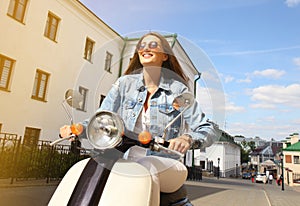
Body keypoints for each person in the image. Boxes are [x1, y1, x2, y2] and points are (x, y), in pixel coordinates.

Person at [60, 32, 217, 206]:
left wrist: (187, 138)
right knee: (86, 167)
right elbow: (103, 118)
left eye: (153, 45)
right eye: (142, 46)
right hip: (122, 158)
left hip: (166, 163)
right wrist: (79, 129)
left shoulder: (178, 91)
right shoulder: (124, 84)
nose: (146, 48)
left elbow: (205, 128)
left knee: (146, 166)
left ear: (165, 55)